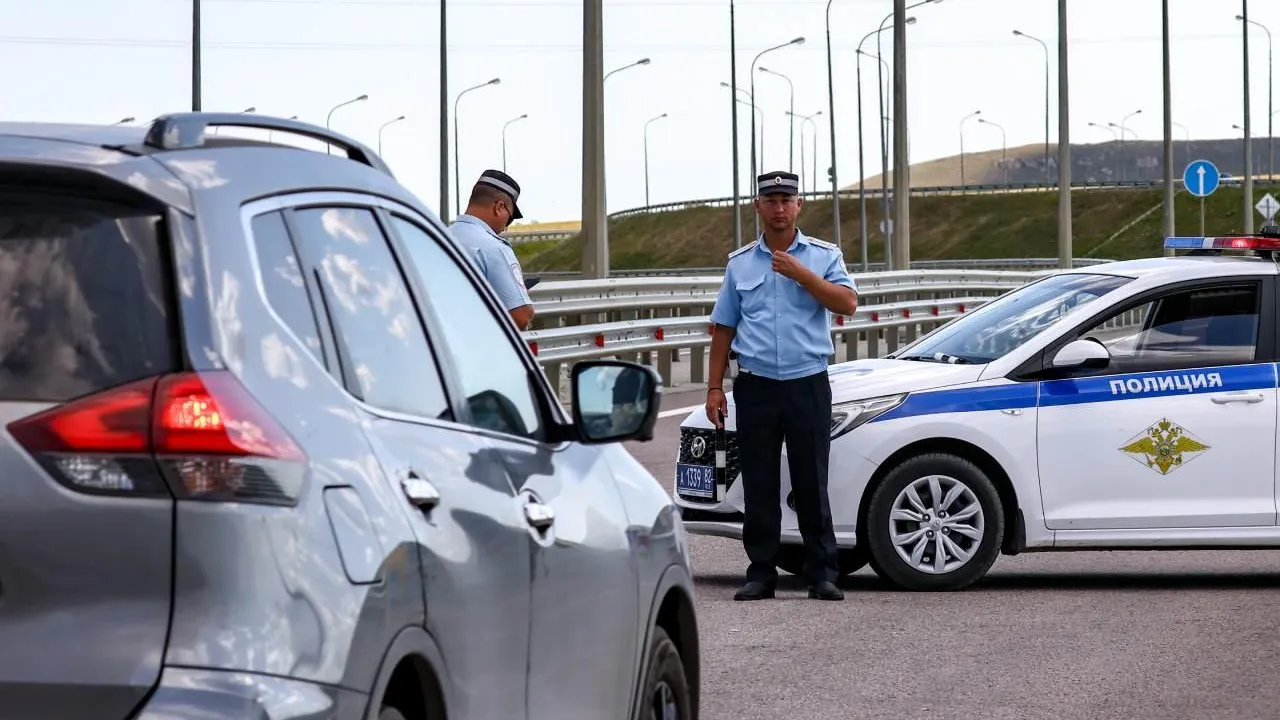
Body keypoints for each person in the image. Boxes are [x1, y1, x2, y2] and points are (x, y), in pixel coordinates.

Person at [706, 170, 859, 602]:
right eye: (770, 199)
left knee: (812, 479)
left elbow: (847, 303)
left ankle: (823, 572)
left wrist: (801, 274)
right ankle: (760, 572)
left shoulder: (823, 256)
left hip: (806, 381)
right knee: (759, 481)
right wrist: (714, 388)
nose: (778, 207)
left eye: (785, 199)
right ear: (757, 205)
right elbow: (723, 328)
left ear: (799, 205)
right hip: (756, 386)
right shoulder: (740, 264)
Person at [449, 169, 536, 329]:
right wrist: (520, 296)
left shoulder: (439, 238)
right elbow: (521, 317)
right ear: (499, 207)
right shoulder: (494, 248)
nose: (505, 227)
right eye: (509, 218)